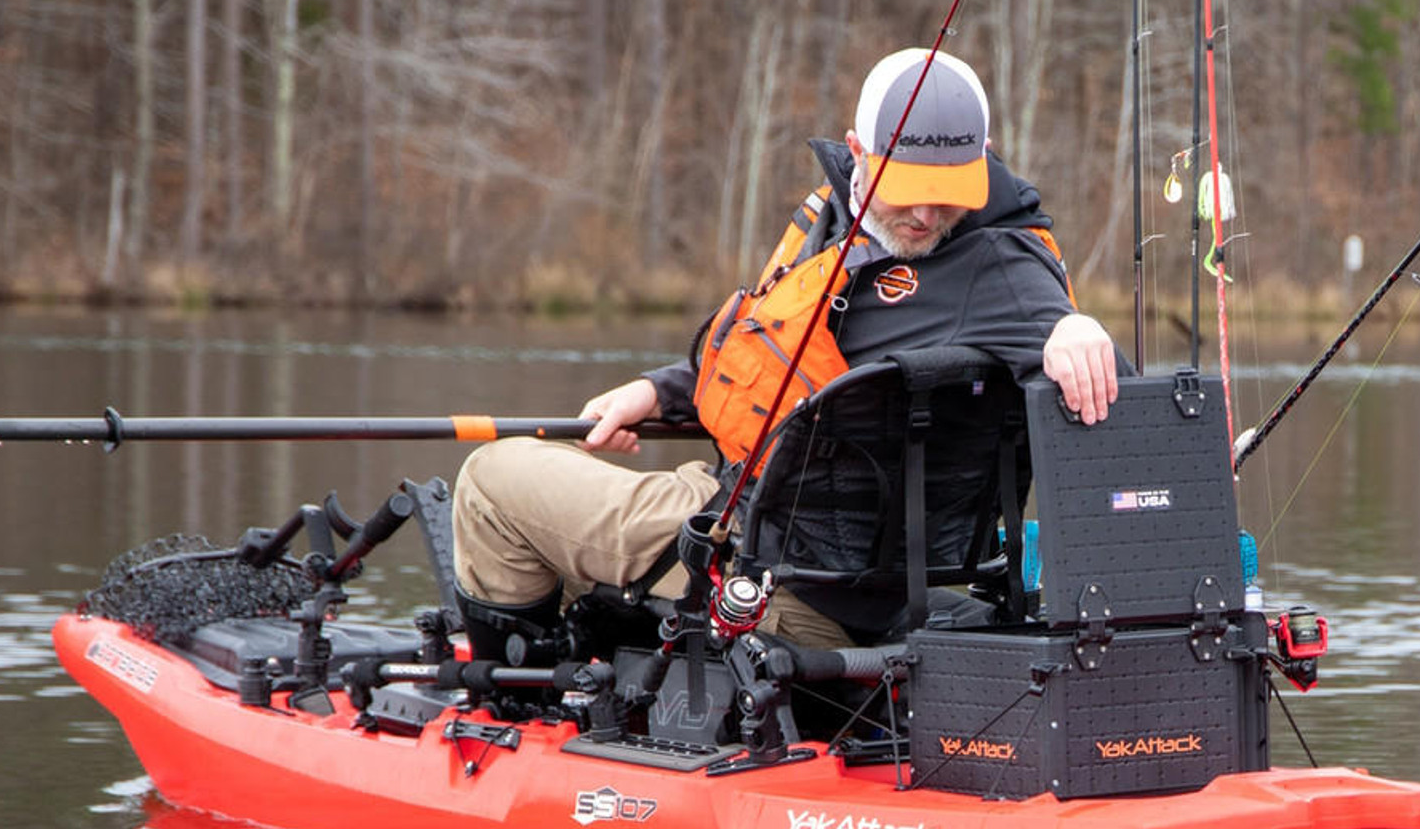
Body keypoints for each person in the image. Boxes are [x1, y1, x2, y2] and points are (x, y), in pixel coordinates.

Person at [451, 48, 1120, 657]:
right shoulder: (828, 219)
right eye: (907, 188)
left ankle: (510, 702)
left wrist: (1074, 329)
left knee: (490, 483)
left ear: (984, 157)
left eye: (948, 192)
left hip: (764, 564)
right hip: (749, 507)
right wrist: (661, 390)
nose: (926, 214)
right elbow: (773, 350)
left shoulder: (1003, 267)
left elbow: (1102, 382)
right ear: (858, 151)